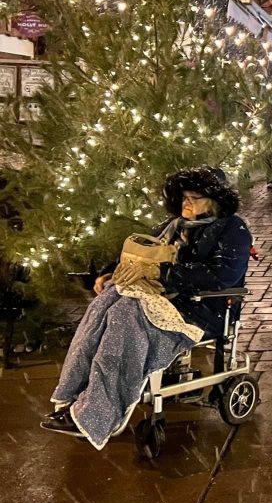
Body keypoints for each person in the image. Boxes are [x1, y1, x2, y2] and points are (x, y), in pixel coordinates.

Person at [41, 167, 252, 449]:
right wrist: (110, 273)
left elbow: (222, 276)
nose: (186, 204)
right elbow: (141, 255)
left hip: (201, 309)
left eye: (194, 197)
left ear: (215, 200)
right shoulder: (172, 225)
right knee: (105, 303)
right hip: (162, 298)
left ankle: (96, 414)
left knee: (125, 316)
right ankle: (74, 395)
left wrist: (163, 274)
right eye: (183, 197)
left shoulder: (232, 229)